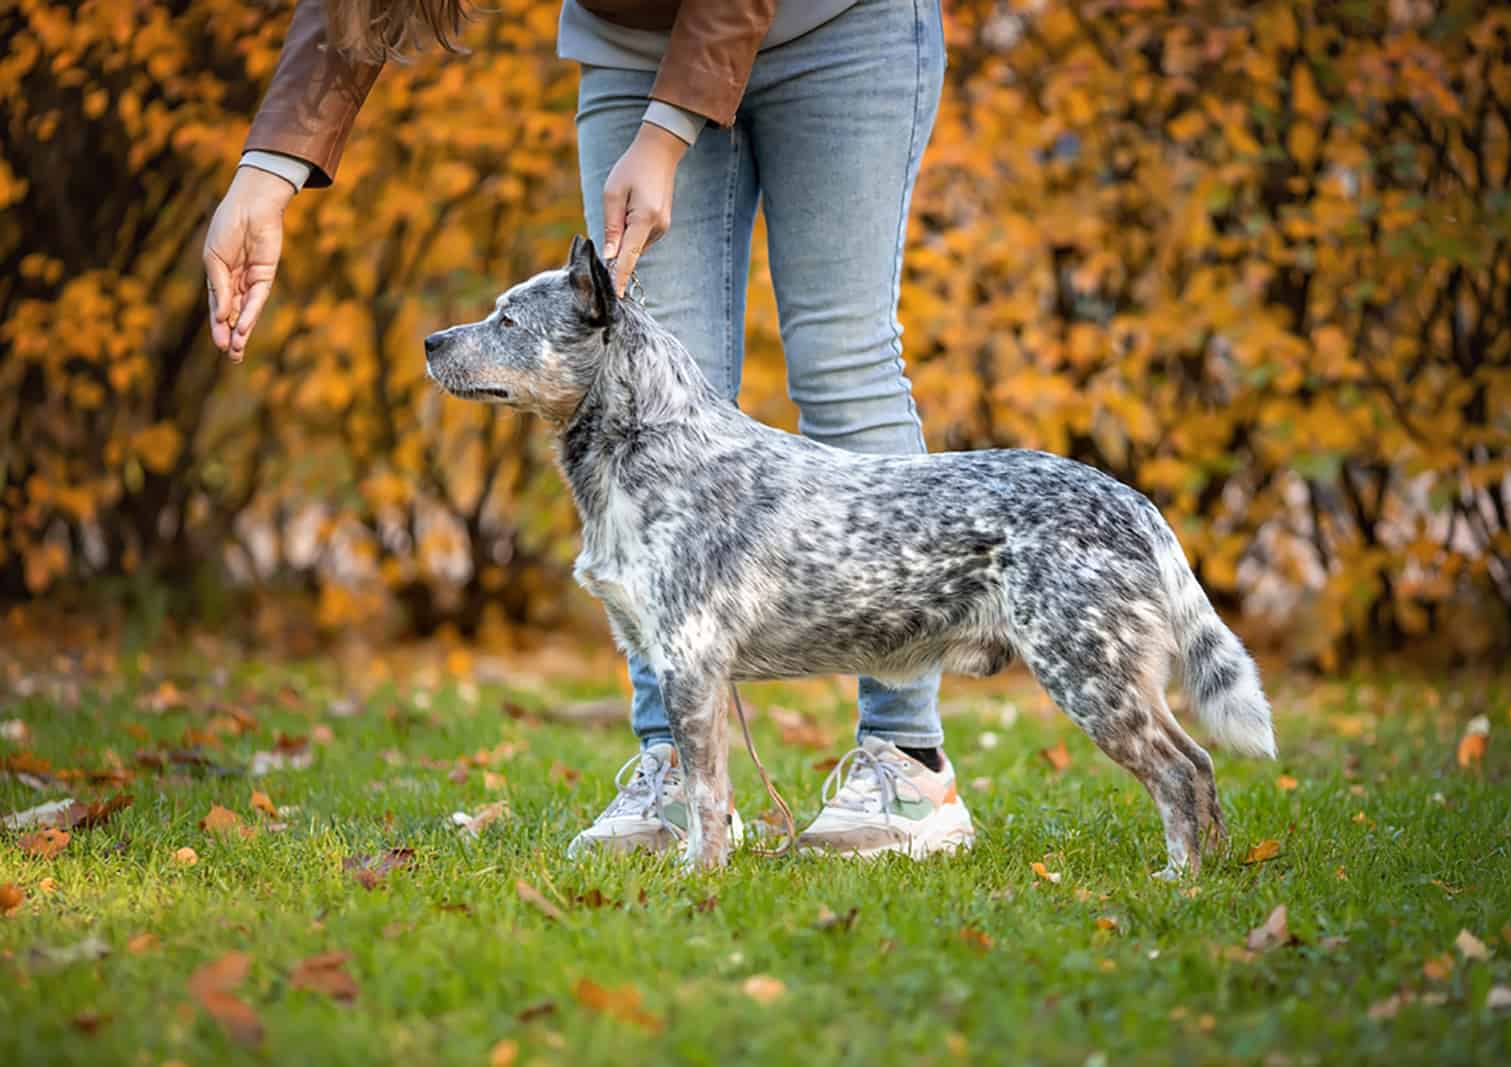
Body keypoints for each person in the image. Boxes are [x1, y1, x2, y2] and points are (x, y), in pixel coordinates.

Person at [203, 0, 974, 859]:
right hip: (634, 43)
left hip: (838, 25)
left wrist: (667, 129)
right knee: (653, 402)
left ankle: (905, 762)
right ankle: (678, 770)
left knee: (842, 363)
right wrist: (267, 172)